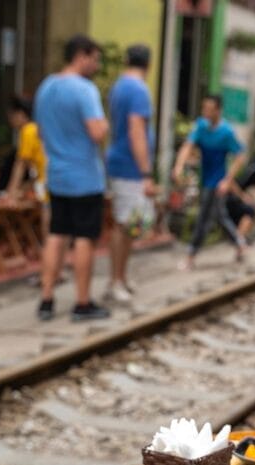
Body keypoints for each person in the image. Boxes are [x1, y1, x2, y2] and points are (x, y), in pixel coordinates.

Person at [34, 35, 110, 322]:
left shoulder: (46, 87)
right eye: (95, 58)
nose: (97, 65)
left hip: (57, 175)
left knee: (55, 235)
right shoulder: (84, 90)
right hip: (85, 177)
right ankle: (82, 302)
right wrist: (104, 124)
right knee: (84, 239)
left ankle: (46, 299)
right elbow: (96, 132)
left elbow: (40, 132)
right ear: (81, 56)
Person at [172, 94, 248, 270]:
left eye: (209, 109)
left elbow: (240, 156)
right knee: (220, 217)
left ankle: (191, 255)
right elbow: (188, 146)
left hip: (217, 182)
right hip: (205, 179)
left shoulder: (226, 132)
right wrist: (178, 166)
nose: (205, 111)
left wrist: (227, 180)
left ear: (218, 111)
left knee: (203, 219)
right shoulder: (201, 126)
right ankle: (240, 242)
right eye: (203, 107)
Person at [105, 44, 156, 304]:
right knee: (125, 224)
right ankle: (115, 281)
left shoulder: (118, 87)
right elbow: (136, 130)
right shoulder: (138, 90)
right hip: (130, 166)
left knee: (129, 223)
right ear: (148, 64)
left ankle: (121, 277)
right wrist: (146, 172)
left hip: (120, 162)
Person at [2, 95, 47, 203]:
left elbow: (20, 164)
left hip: (44, 188)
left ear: (21, 114)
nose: (10, 120)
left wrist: (10, 194)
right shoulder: (37, 128)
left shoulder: (28, 131)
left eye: (11, 116)